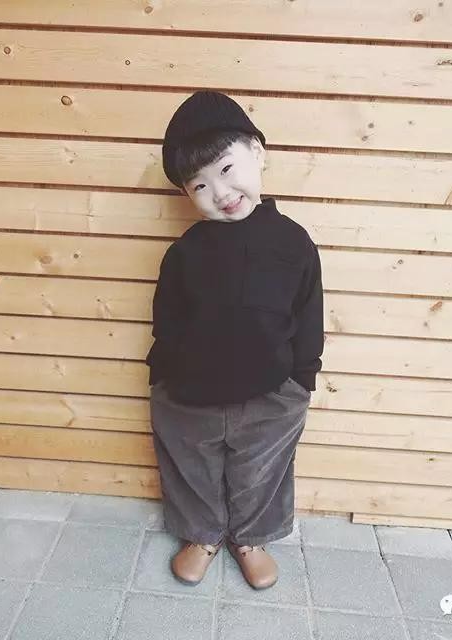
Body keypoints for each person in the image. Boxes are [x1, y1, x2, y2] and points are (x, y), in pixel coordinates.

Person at [146, 90, 324, 590]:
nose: (220, 192)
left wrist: (302, 380)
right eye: (200, 185)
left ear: (257, 152)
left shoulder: (293, 242)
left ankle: (252, 537)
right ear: (187, 194)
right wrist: (163, 378)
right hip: (189, 393)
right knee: (191, 466)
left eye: (226, 169)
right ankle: (201, 534)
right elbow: (167, 320)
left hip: (272, 391)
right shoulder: (184, 253)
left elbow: (309, 314)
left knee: (262, 469)